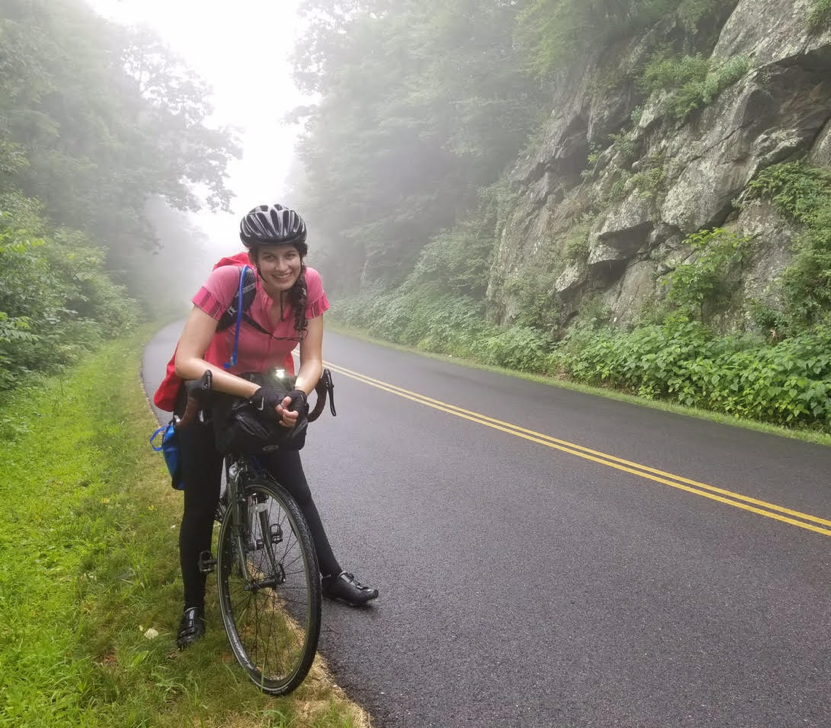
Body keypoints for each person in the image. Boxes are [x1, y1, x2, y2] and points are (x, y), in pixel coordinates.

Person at [171, 203, 378, 649]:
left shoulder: (311, 285)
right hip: (211, 390)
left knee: (297, 489)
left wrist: (298, 393)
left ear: (302, 254)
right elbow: (187, 360)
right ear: (253, 259)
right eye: (269, 256)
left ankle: (331, 576)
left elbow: (313, 359)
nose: (282, 266)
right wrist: (254, 393)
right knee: (200, 506)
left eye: (290, 254)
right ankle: (193, 607)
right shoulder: (227, 283)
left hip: (268, 388)